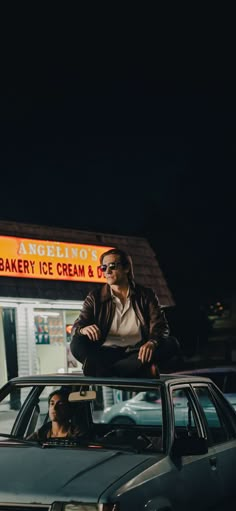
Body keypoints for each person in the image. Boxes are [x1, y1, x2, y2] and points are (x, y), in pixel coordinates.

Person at [70, 248, 181, 377]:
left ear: (126, 268)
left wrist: (152, 342)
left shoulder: (146, 295)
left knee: (171, 344)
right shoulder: (95, 297)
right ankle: (134, 370)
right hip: (105, 353)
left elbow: (160, 326)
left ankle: (106, 371)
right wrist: (83, 329)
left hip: (137, 352)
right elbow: (77, 326)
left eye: (112, 266)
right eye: (103, 268)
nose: (107, 271)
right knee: (77, 342)